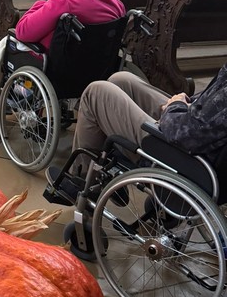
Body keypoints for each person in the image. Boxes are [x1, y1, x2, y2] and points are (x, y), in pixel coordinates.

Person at [46, 67, 227, 203]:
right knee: (121, 80)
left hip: (184, 159)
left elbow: (184, 133)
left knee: (95, 93)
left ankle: (82, 181)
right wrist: (188, 104)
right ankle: (104, 171)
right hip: (196, 133)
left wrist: (175, 106)